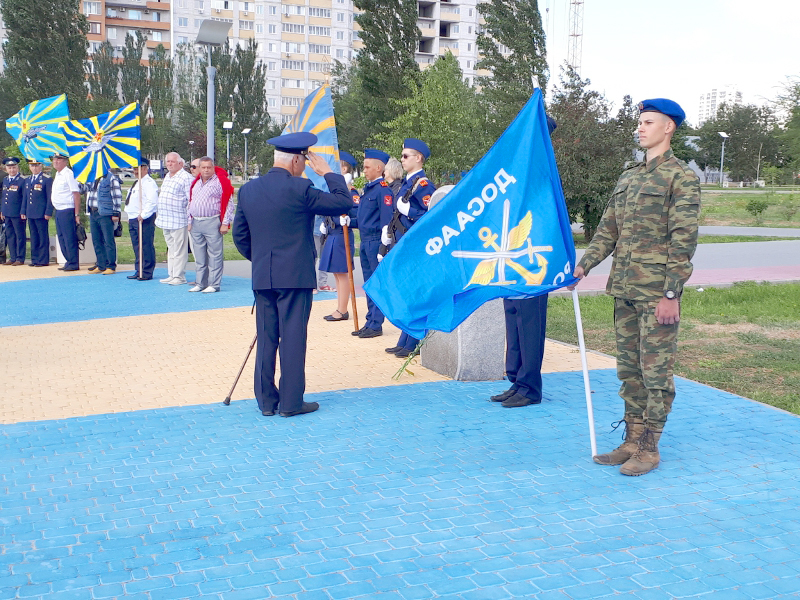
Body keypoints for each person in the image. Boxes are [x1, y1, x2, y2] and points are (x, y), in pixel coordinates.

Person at [571, 98, 701, 476]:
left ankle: (650, 448)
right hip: (625, 290)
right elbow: (607, 231)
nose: (640, 128)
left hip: (657, 294)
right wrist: (584, 265)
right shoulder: (628, 177)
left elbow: (684, 240)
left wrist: (671, 293)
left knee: (655, 372)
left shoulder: (681, 177)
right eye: (639, 122)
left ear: (669, 128)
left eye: (648, 122)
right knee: (629, 370)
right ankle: (632, 438)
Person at [232, 132, 354, 418]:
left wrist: (261, 258)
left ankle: (266, 402)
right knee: (293, 338)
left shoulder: (249, 191)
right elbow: (343, 203)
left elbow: (240, 235)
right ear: (298, 161)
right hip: (295, 277)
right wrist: (328, 173)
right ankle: (290, 403)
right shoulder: (302, 189)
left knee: (266, 338)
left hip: (264, 276)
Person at [491, 116, 559, 409]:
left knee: (530, 324)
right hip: (511, 257)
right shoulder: (516, 171)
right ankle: (517, 380)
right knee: (514, 317)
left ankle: (531, 387)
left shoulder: (543, 173)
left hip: (533, 263)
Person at [382, 138, 436, 358]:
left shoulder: (424, 186)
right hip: (402, 244)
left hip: (415, 248)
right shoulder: (407, 184)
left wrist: (410, 212)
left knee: (415, 293)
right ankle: (405, 338)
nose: (402, 159)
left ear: (419, 158)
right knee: (406, 293)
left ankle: (413, 341)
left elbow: (429, 217)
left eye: (406, 156)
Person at [350, 148, 393, 338]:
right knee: (368, 283)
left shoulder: (383, 190)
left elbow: (386, 220)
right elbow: (363, 218)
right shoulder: (368, 189)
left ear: (378, 168)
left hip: (376, 241)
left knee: (376, 283)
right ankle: (370, 320)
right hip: (365, 241)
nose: (364, 170)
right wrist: (349, 222)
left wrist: (384, 246)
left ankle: (376, 323)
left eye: (367, 167)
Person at [318, 151, 359, 321]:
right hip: (333, 232)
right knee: (336, 273)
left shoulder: (350, 191)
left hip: (342, 235)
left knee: (343, 273)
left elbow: (358, 214)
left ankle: (342, 310)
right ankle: (340, 307)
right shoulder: (336, 189)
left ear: (344, 167)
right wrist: (326, 222)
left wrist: (350, 221)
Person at [188, 156, 234, 293]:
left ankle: (214, 284)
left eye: (209, 167)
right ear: (199, 169)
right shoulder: (196, 183)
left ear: (213, 168)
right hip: (196, 222)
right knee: (200, 255)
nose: (206, 170)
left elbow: (229, 204)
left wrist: (225, 223)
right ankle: (200, 283)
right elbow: (190, 202)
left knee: (215, 255)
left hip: (212, 222)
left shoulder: (220, 182)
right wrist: (189, 221)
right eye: (203, 167)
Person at [156, 152, 192, 285]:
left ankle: (179, 276)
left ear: (180, 163)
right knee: (171, 249)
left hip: (179, 219)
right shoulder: (167, 176)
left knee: (179, 249)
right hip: (165, 219)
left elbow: (190, 199)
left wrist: (189, 219)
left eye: (172, 161)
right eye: (168, 161)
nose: (170, 164)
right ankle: (171, 274)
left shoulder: (186, 177)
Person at [125, 157, 159, 281]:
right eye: (134, 169)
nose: (135, 171)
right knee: (136, 246)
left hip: (144, 219)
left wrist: (143, 215)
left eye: (138, 168)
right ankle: (139, 269)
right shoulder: (137, 182)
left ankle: (146, 271)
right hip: (134, 218)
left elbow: (152, 202)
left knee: (145, 245)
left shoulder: (149, 183)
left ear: (145, 169)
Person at [84, 170, 122, 275]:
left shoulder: (111, 178)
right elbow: (83, 189)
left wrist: (116, 213)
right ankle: (101, 264)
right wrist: (81, 178)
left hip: (105, 213)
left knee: (108, 240)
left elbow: (117, 195)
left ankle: (111, 265)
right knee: (96, 240)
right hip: (93, 212)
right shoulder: (92, 177)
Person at [50, 152, 82, 271]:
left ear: (65, 161)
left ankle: (73, 262)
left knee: (69, 237)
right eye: (54, 159)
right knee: (62, 237)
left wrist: (77, 213)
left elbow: (76, 194)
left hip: (67, 209)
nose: (56, 161)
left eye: (59, 160)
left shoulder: (69, 174)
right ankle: (69, 260)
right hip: (59, 210)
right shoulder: (58, 174)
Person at [24, 159, 53, 267]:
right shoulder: (28, 180)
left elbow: (49, 197)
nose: (34, 168)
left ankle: (43, 259)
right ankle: (35, 259)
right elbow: (26, 198)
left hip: (41, 213)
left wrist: (48, 211)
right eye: (32, 166)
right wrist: (24, 211)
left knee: (42, 236)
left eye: (36, 165)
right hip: (30, 212)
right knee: (34, 236)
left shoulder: (46, 179)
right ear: (29, 167)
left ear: (40, 166)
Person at [1, 157, 28, 265]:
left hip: (18, 213)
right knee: (10, 235)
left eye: (14, 167)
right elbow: (4, 196)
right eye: (9, 168)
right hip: (7, 212)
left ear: (17, 167)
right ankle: (12, 257)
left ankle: (20, 258)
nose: (12, 170)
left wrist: (23, 211)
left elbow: (24, 198)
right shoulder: (6, 179)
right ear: (6, 168)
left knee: (19, 235)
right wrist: (2, 210)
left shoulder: (22, 180)